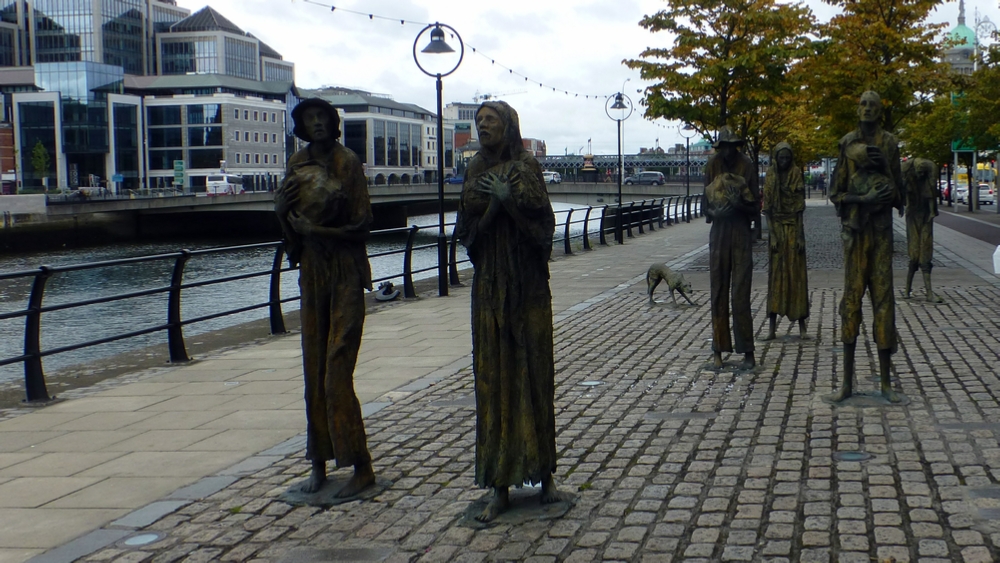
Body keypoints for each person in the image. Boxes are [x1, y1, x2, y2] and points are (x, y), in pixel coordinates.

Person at [455, 101, 560, 523]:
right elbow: (467, 235)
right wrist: (496, 206)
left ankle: (546, 474)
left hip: (529, 287)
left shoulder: (528, 167)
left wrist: (508, 204)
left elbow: (543, 232)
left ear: (508, 126)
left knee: (536, 374)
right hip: (492, 288)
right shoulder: (475, 168)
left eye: (490, 121)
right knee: (493, 378)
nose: (483, 127)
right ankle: (498, 483)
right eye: (479, 122)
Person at [274, 98, 376, 497]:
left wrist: (321, 233)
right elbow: (293, 234)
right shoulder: (297, 163)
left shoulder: (347, 162)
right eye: (308, 119)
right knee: (313, 371)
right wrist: (280, 213)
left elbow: (363, 225)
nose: (316, 123)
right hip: (313, 273)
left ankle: (361, 465)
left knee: (336, 372)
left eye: (322, 118)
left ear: (333, 124)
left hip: (345, 271)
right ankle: (318, 462)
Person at [829, 91, 903, 403]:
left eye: (874, 104)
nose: (868, 109)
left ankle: (886, 382)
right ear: (857, 109)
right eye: (863, 104)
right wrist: (864, 199)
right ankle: (846, 383)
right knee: (851, 301)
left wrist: (885, 168)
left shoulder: (890, 143)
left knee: (884, 301)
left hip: (882, 233)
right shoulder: (847, 144)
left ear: (880, 112)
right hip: (856, 235)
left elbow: (900, 196)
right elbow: (836, 193)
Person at [703, 126, 758, 370]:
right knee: (718, 290)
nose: (727, 152)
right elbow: (705, 204)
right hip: (719, 233)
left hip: (740, 232)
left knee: (740, 293)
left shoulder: (747, 165)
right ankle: (718, 348)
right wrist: (715, 212)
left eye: (731, 147)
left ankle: (747, 351)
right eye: (723, 147)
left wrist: (739, 205)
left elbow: (755, 207)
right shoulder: (712, 165)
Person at [762, 142, 809, 340]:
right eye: (781, 158)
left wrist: (799, 236)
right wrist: (772, 235)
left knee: (796, 275)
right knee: (776, 276)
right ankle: (772, 327)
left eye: (787, 158)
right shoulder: (771, 175)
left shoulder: (796, 173)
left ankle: (802, 327)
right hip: (777, 230)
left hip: (792, 228)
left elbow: (799, 210)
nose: (784, 161)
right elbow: (768, 211)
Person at [902, 158, 942, 303]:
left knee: (925, 253)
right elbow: (904, 195)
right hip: (913, 216)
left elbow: (930, 197)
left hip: (925, 217)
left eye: (921, 173)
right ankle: (907, 290)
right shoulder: (909, 181)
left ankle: (928, 292)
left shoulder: (927, 184)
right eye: (917, 172)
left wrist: (931, 212)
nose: (919, 175)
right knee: (913, 255)